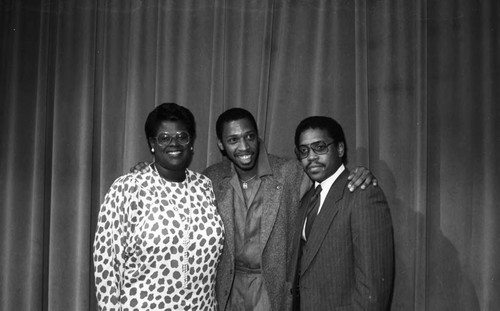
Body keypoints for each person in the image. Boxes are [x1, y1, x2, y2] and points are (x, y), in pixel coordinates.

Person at [131, 108, 376, 311]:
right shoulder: (211, 179)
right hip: (227, 290)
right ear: (221, 144)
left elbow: (327, 176)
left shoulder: (290, 172)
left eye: (249, 136)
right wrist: (147, 171)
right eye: (233, 140)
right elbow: (176, 195)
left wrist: (357, 173)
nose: (244, 146)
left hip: (273, 290)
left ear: (258, 136)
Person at [93, 103, 224, 310]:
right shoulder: (127, 189)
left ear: (191, 142)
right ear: (152, 143)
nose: (174, 143)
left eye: (182, 136)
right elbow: (107, 267)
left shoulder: (204, 186)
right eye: (164, 138)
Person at [287, 116, 394, 310]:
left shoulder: (362, 193)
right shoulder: (306, 199)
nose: (311, 157)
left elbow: (373, 290)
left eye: (320, 147)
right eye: (304, 151)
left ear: (340, 149)